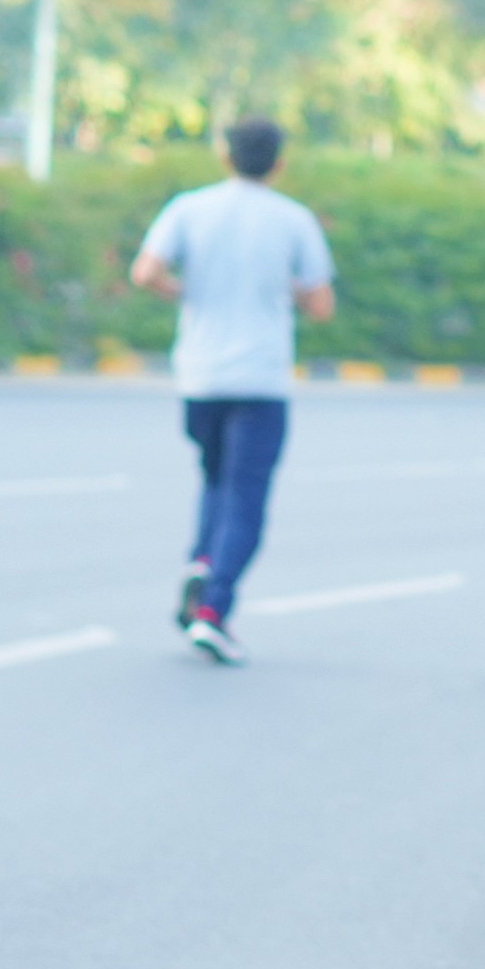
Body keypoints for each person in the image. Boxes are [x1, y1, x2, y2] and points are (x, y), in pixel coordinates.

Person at [129, 116, 336, 667]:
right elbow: (321, 305)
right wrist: (285, 292)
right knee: (245, 497)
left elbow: (144, 272)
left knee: (216, 478)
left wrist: (184, 291)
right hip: (261, 379)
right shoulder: (294, 220)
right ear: (279, 164)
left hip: (200, 376)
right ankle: (213, 610)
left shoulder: (189, 208)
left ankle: (201, 562)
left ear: (225, 156)